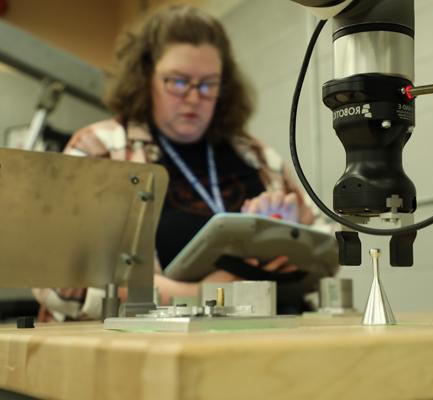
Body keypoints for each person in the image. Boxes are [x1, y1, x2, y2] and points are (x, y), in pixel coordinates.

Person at [33, 4, 325, 321]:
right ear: (145, 76)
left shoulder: (254, 155)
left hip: (257, 338)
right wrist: (200, 296)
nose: (193, 97)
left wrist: (293, 246)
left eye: (208, 84)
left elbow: (325, 244)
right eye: (177, 81)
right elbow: (55, 281)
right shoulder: (99, 150)